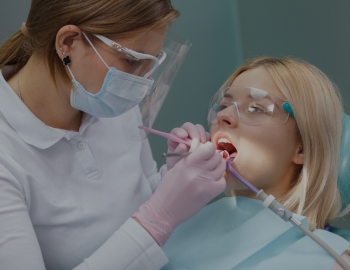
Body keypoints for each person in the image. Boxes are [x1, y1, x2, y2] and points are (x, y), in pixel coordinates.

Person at [0, 1, 226, 269]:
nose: (141, 85)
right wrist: (158, 218)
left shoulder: (108, 102)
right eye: (131, 61)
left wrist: (170, 182)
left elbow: (135, 207)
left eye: (150, 64)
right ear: (68, 42)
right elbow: (149, 222)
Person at [160, 57, 350, 270]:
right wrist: (167, 196)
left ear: (303, 148)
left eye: (256, 108)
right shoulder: (179, 222)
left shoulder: (331, 262)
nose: (224, 115)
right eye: (223, 105)